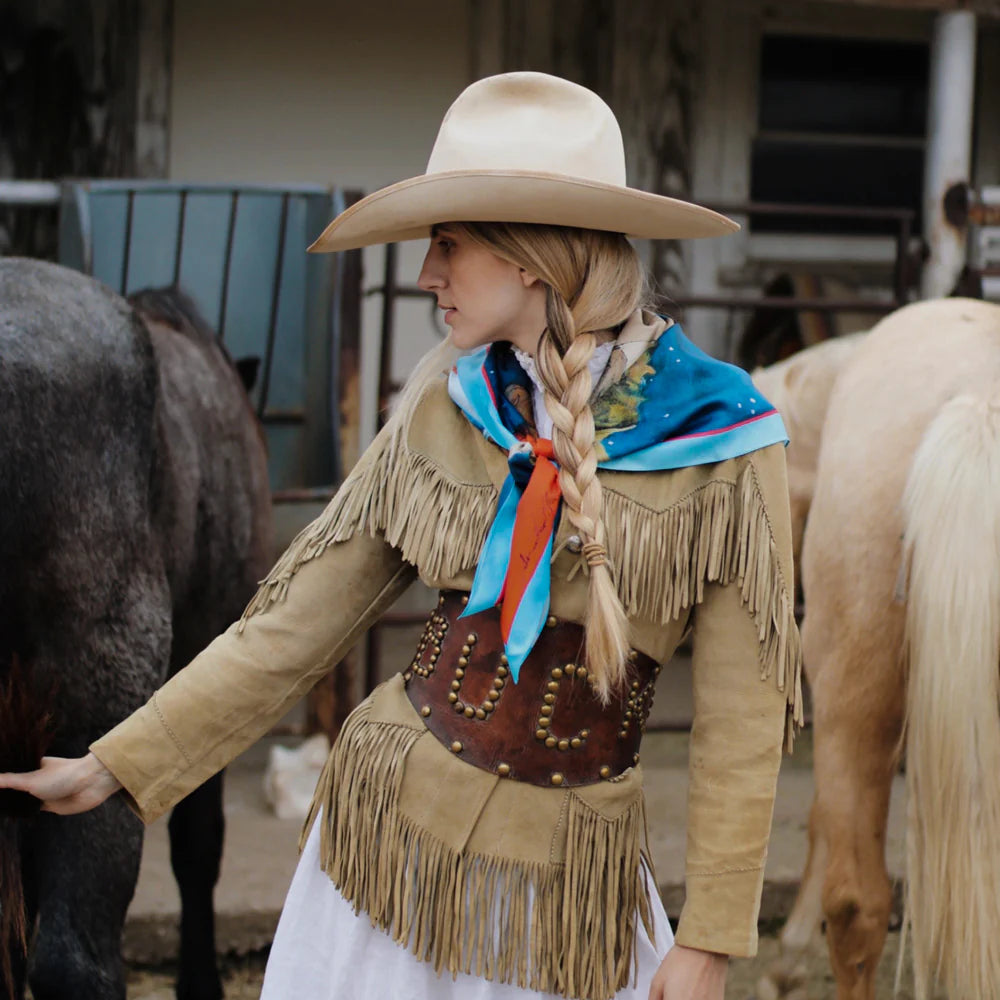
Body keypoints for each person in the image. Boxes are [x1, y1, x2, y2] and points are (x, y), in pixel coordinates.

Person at [0, 72, 801, 1000]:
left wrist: (709, 941)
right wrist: (116, 764)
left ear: (530, 257)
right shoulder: (442, 405)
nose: (425, 274)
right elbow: (290, 628)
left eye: (448, 245)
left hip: (567, 900)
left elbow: (745, 721)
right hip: (377, 872)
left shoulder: (727, 439)